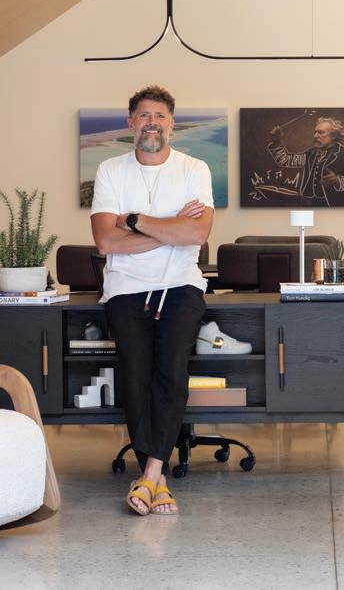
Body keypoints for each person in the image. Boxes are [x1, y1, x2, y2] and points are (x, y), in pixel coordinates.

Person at [91, 85, 214, 516]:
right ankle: (155, 481)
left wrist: (134, 222)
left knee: (171, 373)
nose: (152, 123)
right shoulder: (111, 170)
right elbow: (106, 242)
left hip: (181, 286)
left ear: (172, 125)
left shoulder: (194, 169)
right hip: (125, 287)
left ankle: (151, 474)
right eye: (144, 115)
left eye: (160, 116)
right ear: (131, 123)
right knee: (135, 377)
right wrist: (169, 228)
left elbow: (197, 234)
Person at [268, 116, 344, 206]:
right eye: (315, 132)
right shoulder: (311, 153)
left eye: (320, 132)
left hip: (335, 205)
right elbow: (285, 160)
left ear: (333, 135)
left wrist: (338, 181)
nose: (315, 135)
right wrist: (277, 142)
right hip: (309, 203)